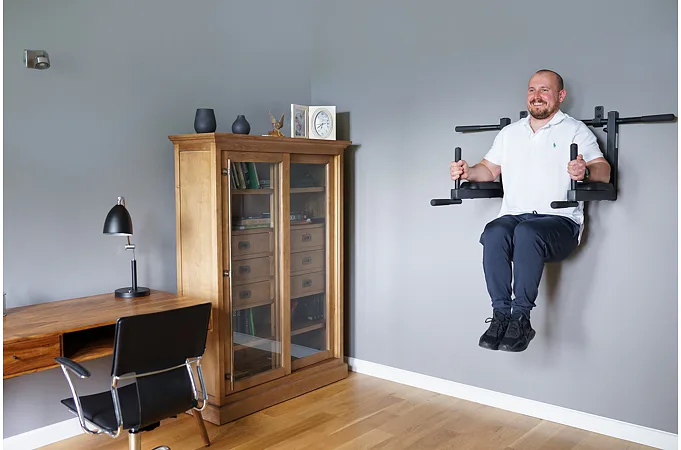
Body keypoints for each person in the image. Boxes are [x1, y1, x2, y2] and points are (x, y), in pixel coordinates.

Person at [450, 69, 611, 352]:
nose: (537, 96)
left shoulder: (574, 130)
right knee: (494, 231)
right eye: (532, 90)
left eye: (545, 90)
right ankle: (501, 315)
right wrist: (467, 172)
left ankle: (521, 318)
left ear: (560, 95)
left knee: (527, 231)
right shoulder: (510, 133)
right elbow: (487, 170)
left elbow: (604, 171)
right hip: (515, 218)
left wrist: (584, 171)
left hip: (560, 222)